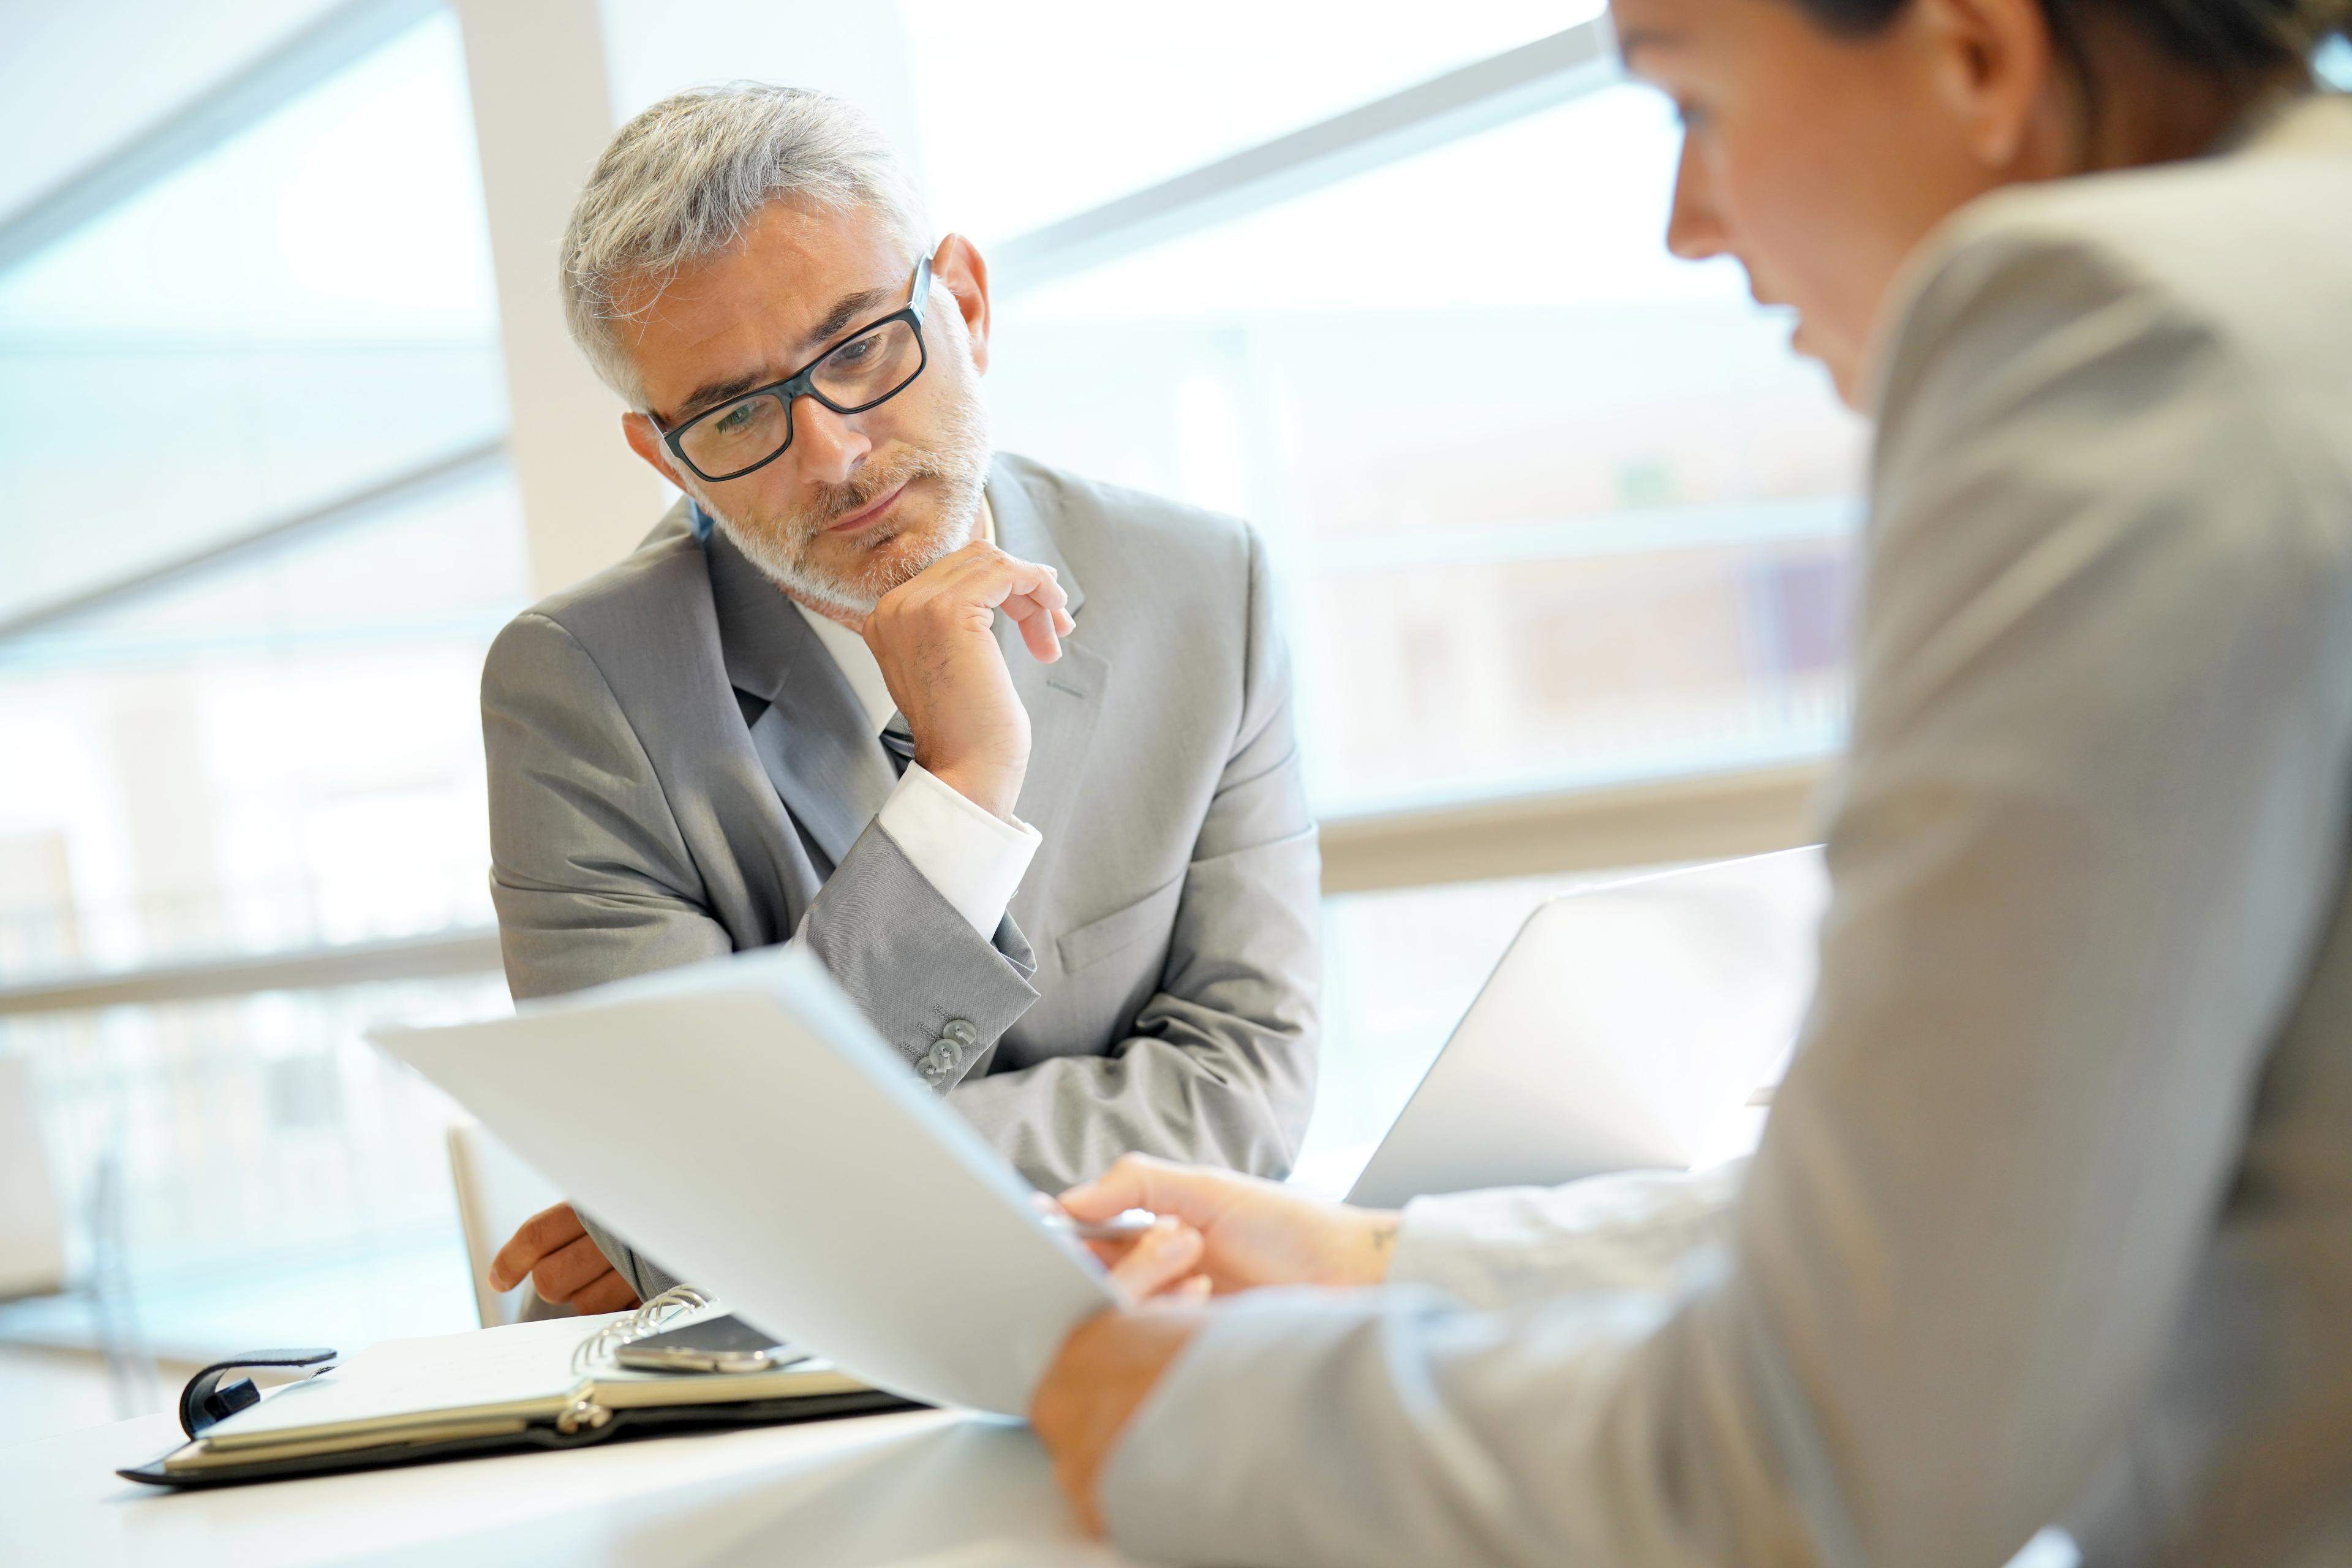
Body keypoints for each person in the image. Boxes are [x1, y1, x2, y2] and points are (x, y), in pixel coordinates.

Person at [1029, 1, 2352, 1564]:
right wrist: (1388, 1258)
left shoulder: (2127, 333)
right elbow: (1977, 1217)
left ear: (1978, 55)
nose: (1685, 225)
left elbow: (1837, 1451)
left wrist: (1176, 1417)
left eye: (1692, 108)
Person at [478, 85, 1319, 1312]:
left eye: (862, 345)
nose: (831, 450)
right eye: (733, 411)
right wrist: (960, 798)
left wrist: (746, 1193)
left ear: (966, 302)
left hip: (1161, 1337)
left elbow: (1251, 1087)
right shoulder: (575, 691)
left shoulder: (1207, 588)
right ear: (667, 455)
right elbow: (692, 1212)